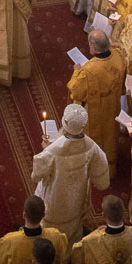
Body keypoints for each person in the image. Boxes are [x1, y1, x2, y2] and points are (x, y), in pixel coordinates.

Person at [31, 102, 111, 246]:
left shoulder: (52, 151)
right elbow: (102, 181)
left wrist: (45, 149)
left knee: (51, 232)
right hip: (76, 198)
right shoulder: (91, 146)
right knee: (72, 227)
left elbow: (36, 175)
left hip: (54, 199)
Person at [66, 28, 126, 170]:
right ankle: (109, 166)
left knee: (94, 138)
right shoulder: (118, 55)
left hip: (96, 111)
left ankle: (93, 167)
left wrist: (76, 71)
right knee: (109, 134)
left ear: (93, 46)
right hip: (112, 105)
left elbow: (76, 90)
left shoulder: (89, 71)